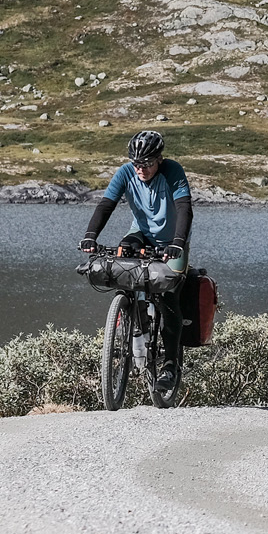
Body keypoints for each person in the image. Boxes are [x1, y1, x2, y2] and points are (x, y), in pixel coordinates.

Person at [79, 130, 194, 387]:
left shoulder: (173, 171)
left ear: (159, 159)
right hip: (140, 233)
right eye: (136, 163)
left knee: (169, 297)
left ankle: (170, 366)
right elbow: (106, 205)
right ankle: (131, 311)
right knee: (122, 255)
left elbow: (185, 208)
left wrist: (178, 243)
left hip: (172, 240)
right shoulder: (125, 172)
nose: (141, 169)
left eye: (147, 163)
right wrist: (90, 236)